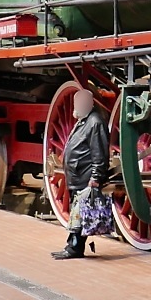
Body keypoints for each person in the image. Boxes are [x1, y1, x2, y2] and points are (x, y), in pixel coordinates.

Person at [51, 88, 109, 260]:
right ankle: (72, 246)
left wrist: (95, 177)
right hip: (78, 175)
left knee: (80, 214)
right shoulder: (84, 121)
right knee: (78, 214)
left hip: (85, 176)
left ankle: (74, 248)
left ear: (91, 104)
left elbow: (99, 153)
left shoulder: (95, 123)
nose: (78, 106)